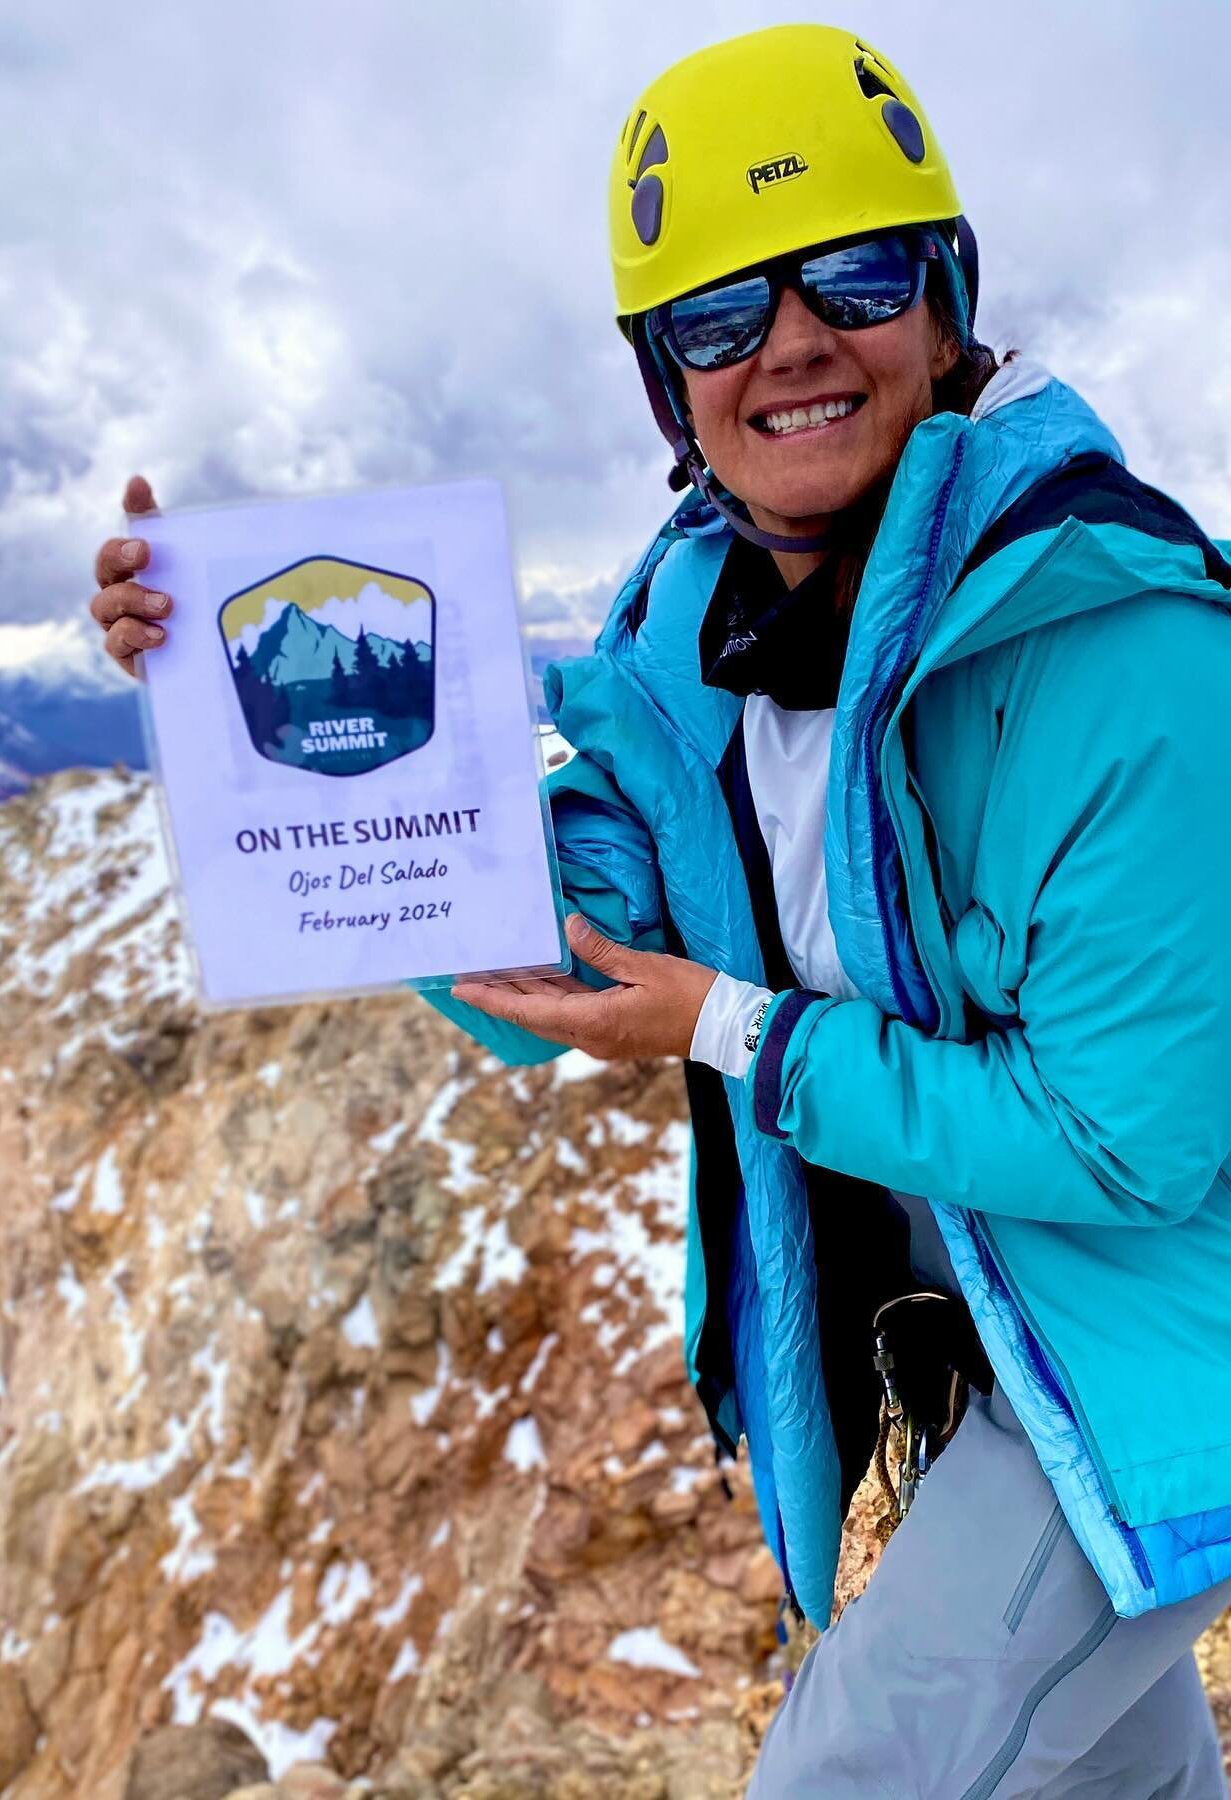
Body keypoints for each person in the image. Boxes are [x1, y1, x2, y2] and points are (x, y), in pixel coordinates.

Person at [90, 25, 1231, 1793]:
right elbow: (549, 947)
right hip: (1002, 1330)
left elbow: (1131, 1147)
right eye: (714, 313)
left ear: (946, 308)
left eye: (848, 273)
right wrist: (241, 698)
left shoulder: (1126, 652)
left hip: (1156, 1326)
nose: (786, 344)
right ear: (660, 377)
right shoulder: (693, 647)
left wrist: (729, 1030)